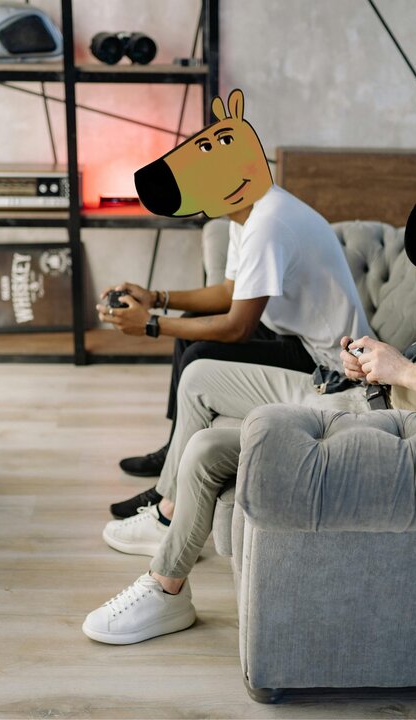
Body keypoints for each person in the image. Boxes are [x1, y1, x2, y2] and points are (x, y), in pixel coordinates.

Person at [82, 179, 416, 645]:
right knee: (200, 377)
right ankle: (167, 525)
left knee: (208, 447)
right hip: (348, 391)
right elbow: (414, 365)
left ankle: (165, 589)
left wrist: (403, 372)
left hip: (374, 427)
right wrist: (373, 362)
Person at [100, 89, 369, 519]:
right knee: (191, 321)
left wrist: (150, 324)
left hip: (326, 361)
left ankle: (168, 490)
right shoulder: (244, 209)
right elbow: (228, 292)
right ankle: (174, 445)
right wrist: (157, 298)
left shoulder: (268, 222)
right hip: (290, 334)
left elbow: (237, 327)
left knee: (201, 354)